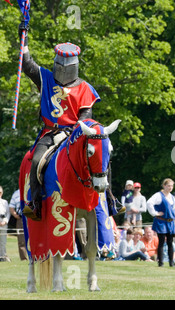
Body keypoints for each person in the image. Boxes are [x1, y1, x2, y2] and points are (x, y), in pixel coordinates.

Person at [19, 21, 101, 220]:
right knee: (37, 161)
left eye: (67, 66)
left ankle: (110, 198)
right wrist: (23, 37)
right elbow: (27, 64)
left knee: (101, 159)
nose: (63, 69)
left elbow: (86, 115)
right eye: (60, 64)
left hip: (74, 134)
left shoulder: (85, 88)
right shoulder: (46, 79)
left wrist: (76, 132)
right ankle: (36, 203)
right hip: (50, 133)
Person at [147, 178, 175, 267]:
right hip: (161, 221)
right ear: (164, 186)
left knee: (170, 242)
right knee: (161, 242)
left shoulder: (172, 197)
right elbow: (149, 203)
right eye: (168, 186)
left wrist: (173, 215)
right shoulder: (158, 195)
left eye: (172, 186)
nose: (170, 188)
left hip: (170, 222)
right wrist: (155, 213)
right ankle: (161, 262)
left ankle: (171, 262)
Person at [8, 189, 28, 260]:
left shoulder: (31, 190)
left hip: (32, 218)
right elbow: (11, 206)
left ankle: (35, 257)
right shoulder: (16, 193)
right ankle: (24, 258)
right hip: (21, 219)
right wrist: (15, 215)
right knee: (21, 240)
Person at [0, 187, 10, 262]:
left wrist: (5, 221)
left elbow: (8, 213)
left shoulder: (5, 202)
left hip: (3, 222)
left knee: (3, 241)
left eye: (0, 192)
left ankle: (2, 256)